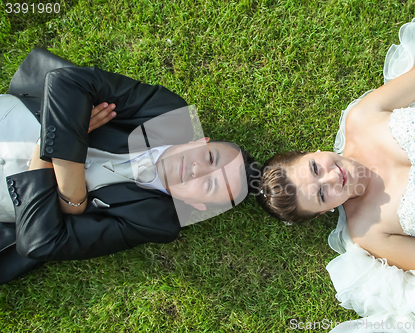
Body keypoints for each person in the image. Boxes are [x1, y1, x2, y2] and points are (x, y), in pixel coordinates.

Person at [257, 0, 415, 330]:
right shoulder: (368, 232)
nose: (332, 177)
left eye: (315, 168)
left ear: (311, 152)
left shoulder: (362, 118)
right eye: (321, 194)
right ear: (323, 212)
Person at [0, 48, 257, 284]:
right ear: (202, 140)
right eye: (211, 158)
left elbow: (40, 243)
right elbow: (66, 82)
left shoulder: (154, 221)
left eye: (210, 184)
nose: (197, 169)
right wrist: (72, 196)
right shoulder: (166, 112)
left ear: (198, 205)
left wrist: (55, 143)